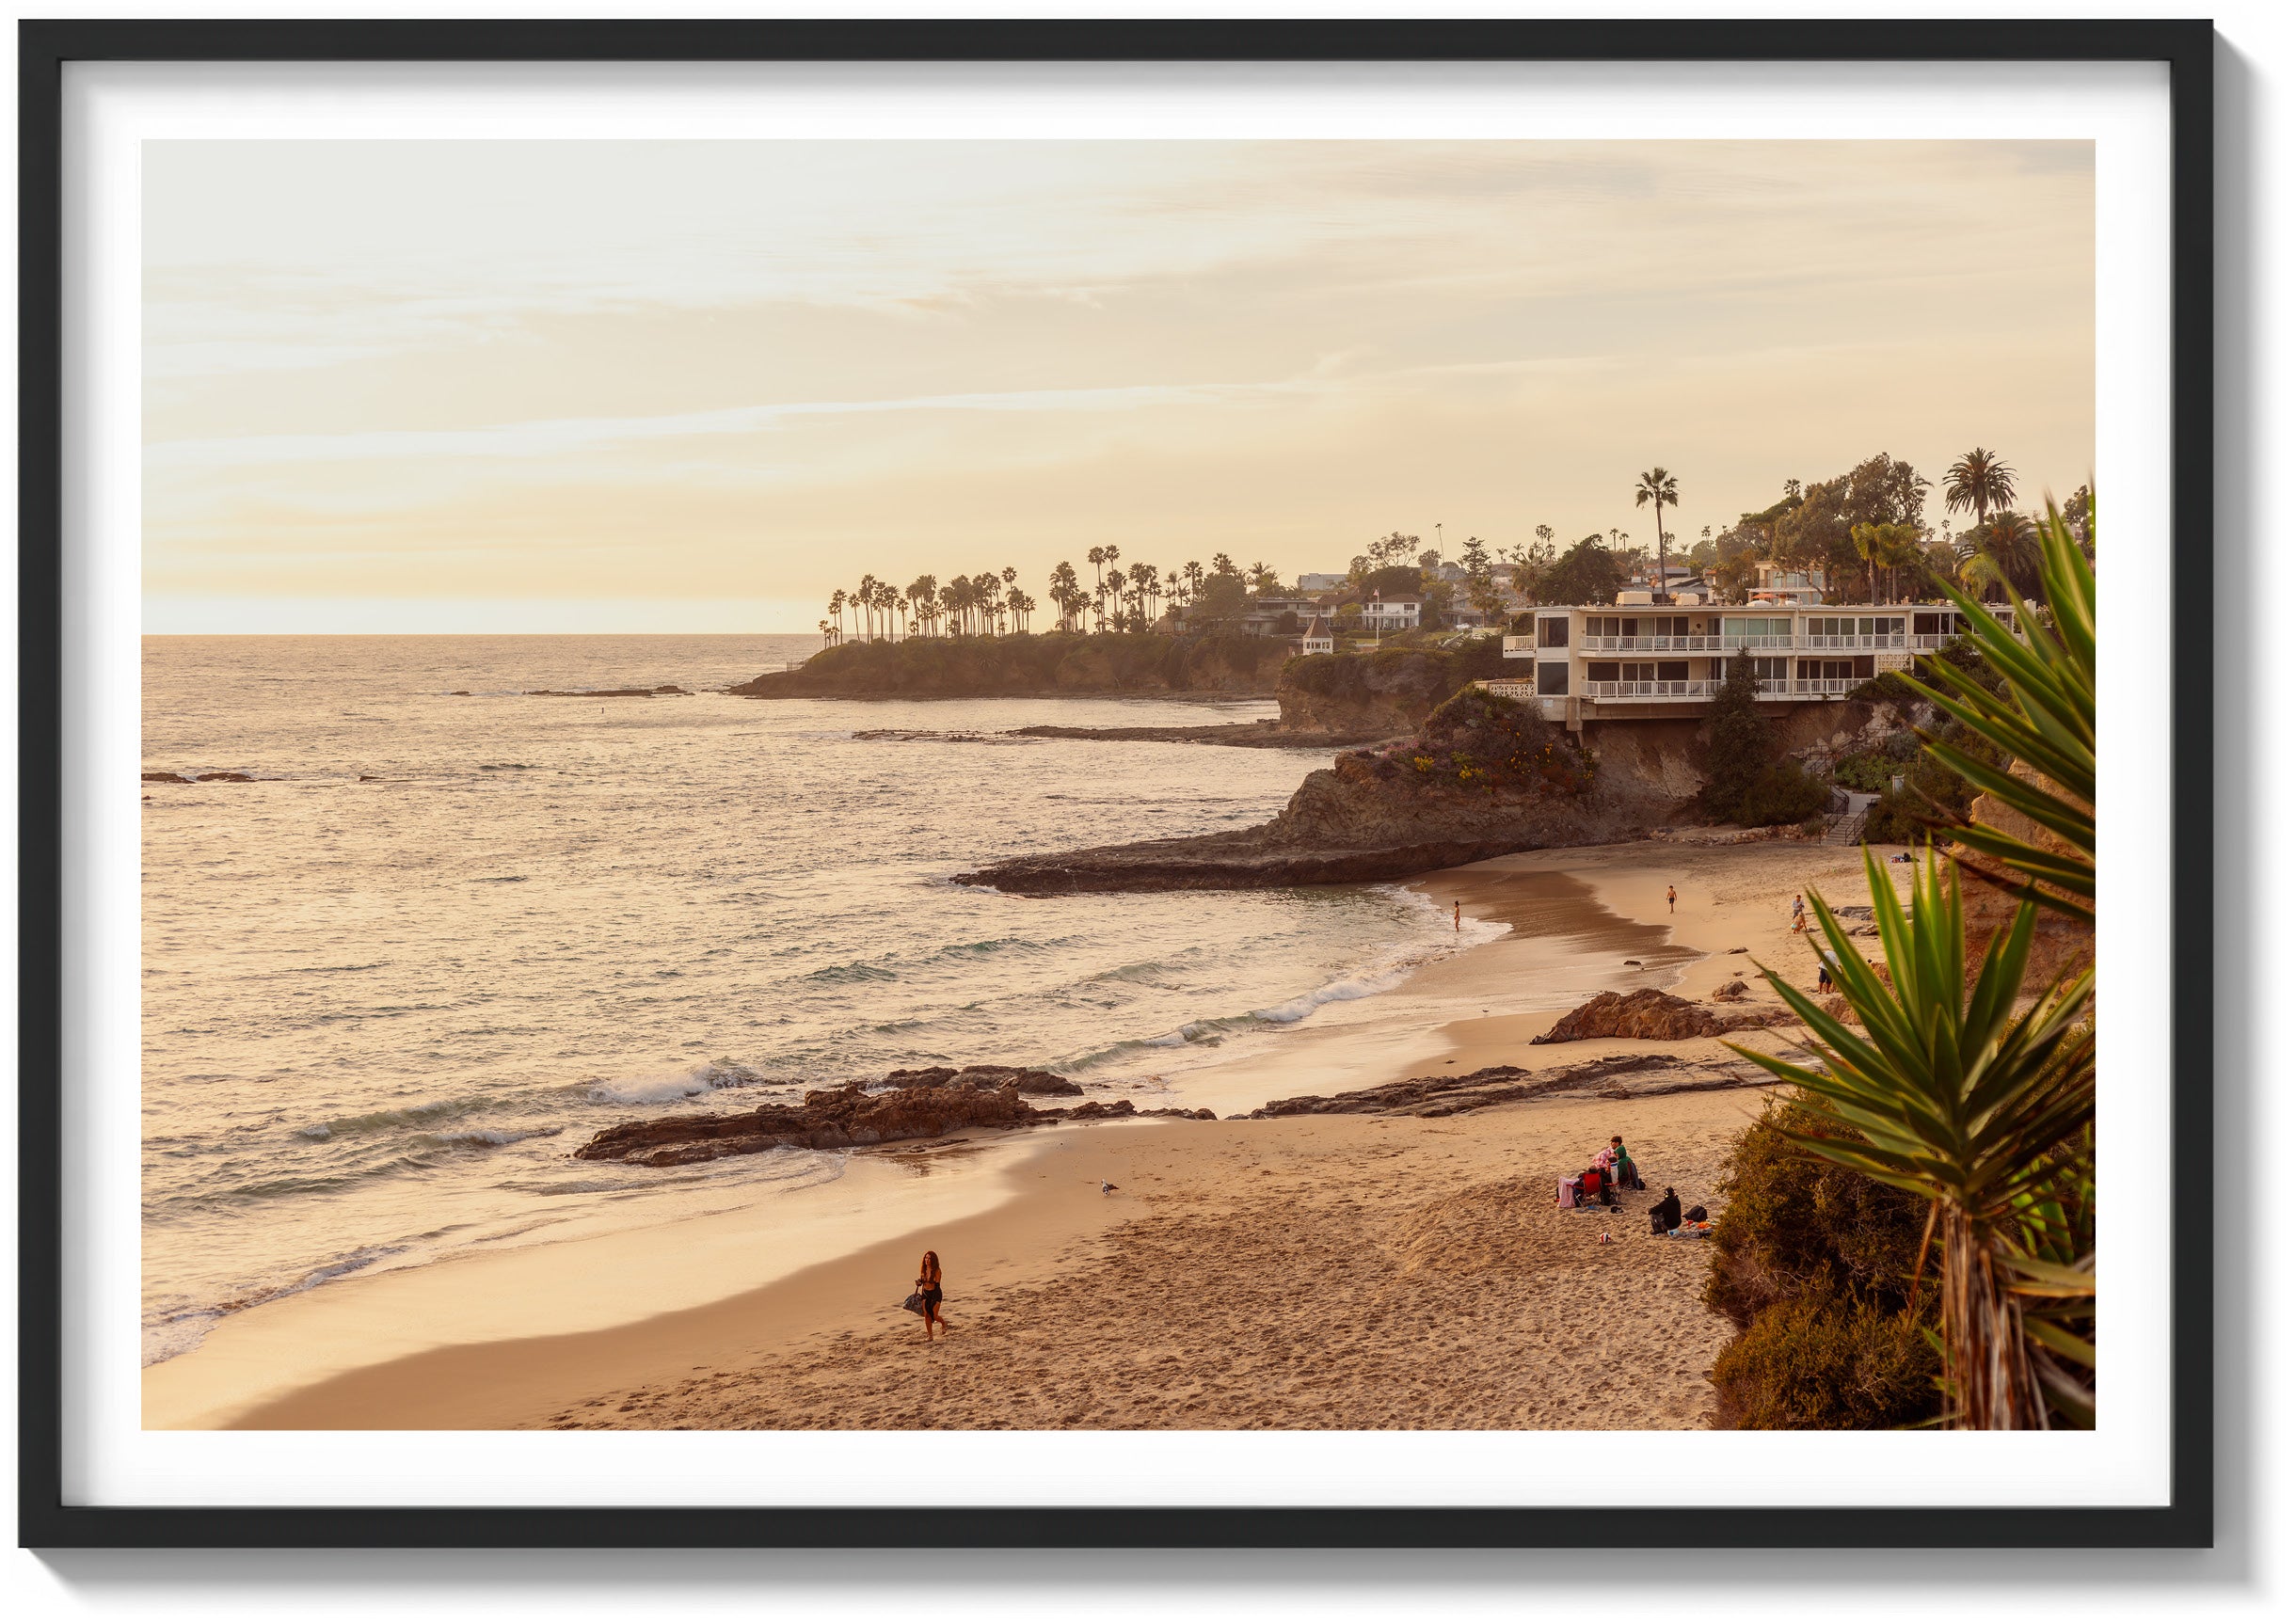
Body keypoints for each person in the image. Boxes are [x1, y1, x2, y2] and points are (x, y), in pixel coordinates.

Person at [916, 1249, 945, 1341]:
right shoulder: (923, 1269)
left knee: (934, 1316)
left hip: (935, 1293)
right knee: (927, 1315)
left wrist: (933, 1299)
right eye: (926, 1258)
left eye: (929, 1258)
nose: (927, 1260)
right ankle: (930, 1336)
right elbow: (922, 1282)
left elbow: (937, 1285)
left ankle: (943, 1323)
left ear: (933, 1260)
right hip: (925, 1293)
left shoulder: (937, 1270)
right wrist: (919, 1282)